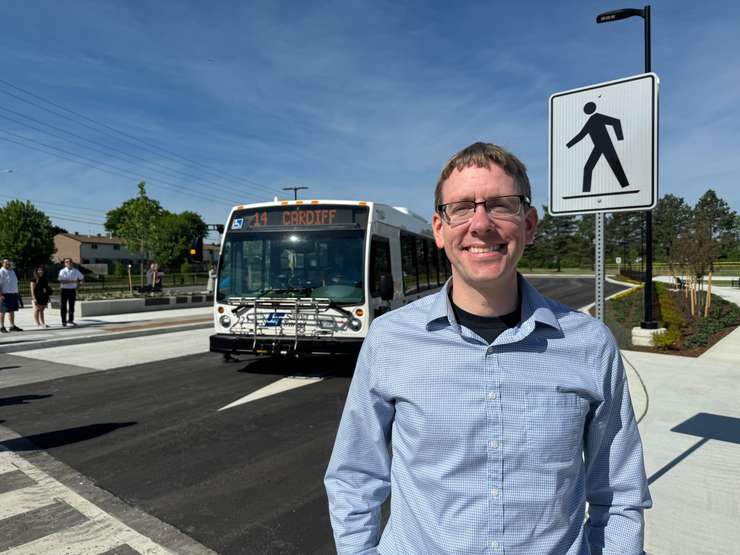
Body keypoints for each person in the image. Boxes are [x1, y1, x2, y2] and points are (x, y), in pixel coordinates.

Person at [325, 142, 652, 554]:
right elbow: (355, 475)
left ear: (529, 225)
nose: (481, 224)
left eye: (500, 205)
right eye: (461, 207)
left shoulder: (589, 344)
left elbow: (618, 493)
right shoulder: (389, 339)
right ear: (440, 230)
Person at [57, 258, 84, 327]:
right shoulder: (62, 271)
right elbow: (62, 281)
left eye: (69, 262)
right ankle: (64, 321)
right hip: (64, 290)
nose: (68, 263)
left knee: (71, 306)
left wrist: (78, 286)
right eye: (66, 262)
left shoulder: (76, 271)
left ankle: (70, 320)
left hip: (72, 290)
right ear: (65, 264)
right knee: (63, 306)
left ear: (72, 263)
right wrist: (73, 281)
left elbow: (82, 278)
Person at [0, 258, 23, 332]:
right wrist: (0, 294)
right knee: (2, 311)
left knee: (12, 310)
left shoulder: (12, 271)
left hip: (13, 294)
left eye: (8, 262)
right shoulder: (1, 271)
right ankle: (2, 327)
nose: (7, 263)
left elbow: (14, 282)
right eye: (5, 262)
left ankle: (12, 326)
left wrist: (17, 292)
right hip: (4, 294)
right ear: (2, 263)